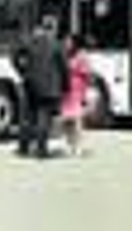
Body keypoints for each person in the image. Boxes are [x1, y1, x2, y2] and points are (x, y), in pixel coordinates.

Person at [11, 15, 67, 159]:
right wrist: (66, 86)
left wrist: (22, 72)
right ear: (53, 28)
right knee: (44, 118)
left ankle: (23, 148)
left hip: (30, 84)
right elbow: (63, 68)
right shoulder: (56, 44)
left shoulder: (31, 41)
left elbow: (15, 55)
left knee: (27, 117)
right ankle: (41, 150)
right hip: (49, 87)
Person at [58, 34, 93, 157]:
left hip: (77, 90)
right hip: (66, 90)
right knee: (66, 120)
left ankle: (78, 147)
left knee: (77, 120)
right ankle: (69, 144)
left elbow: (87, 74)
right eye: (65, 42)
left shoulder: (82, 56)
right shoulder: (65, 55)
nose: (66, 44)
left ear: (75, 43)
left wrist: (86, 91)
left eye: (69, 42)